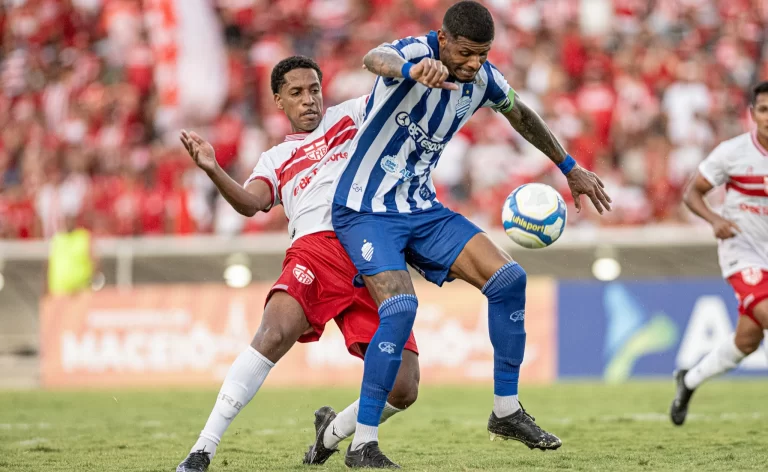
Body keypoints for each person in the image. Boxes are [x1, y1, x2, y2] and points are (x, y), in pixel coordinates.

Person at [327, 2, 611, 467]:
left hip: (421, 209)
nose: (473, 63)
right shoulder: (415, 53)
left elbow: (521, 115)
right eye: (465, 53)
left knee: (509, 281)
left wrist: (569, 166)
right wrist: (410, 69)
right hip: (365, 208)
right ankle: (362, 444)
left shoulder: (482, 80)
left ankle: (506, 410)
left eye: (482, 54)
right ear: (442, 38)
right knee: (400, 308)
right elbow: (373, 58)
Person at [175, 56, 419, 472]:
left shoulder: (350, 117)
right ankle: (202, 450)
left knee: (404, 388)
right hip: (315, 250)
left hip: (370, 249)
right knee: (272, 333)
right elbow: (252, 203)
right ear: (278, 101)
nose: (309, 100)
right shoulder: (275, 158)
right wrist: (213, 169)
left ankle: (332, 433)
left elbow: (392, 99)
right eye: (296, 93)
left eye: (314, 90)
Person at [670, 81, 768, 426]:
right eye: (764, 110)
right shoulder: (732, 152)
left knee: (747, 340)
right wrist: (714, 219)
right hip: (743, 252)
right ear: (752, 114)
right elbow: (692, 193)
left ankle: (689, 380)